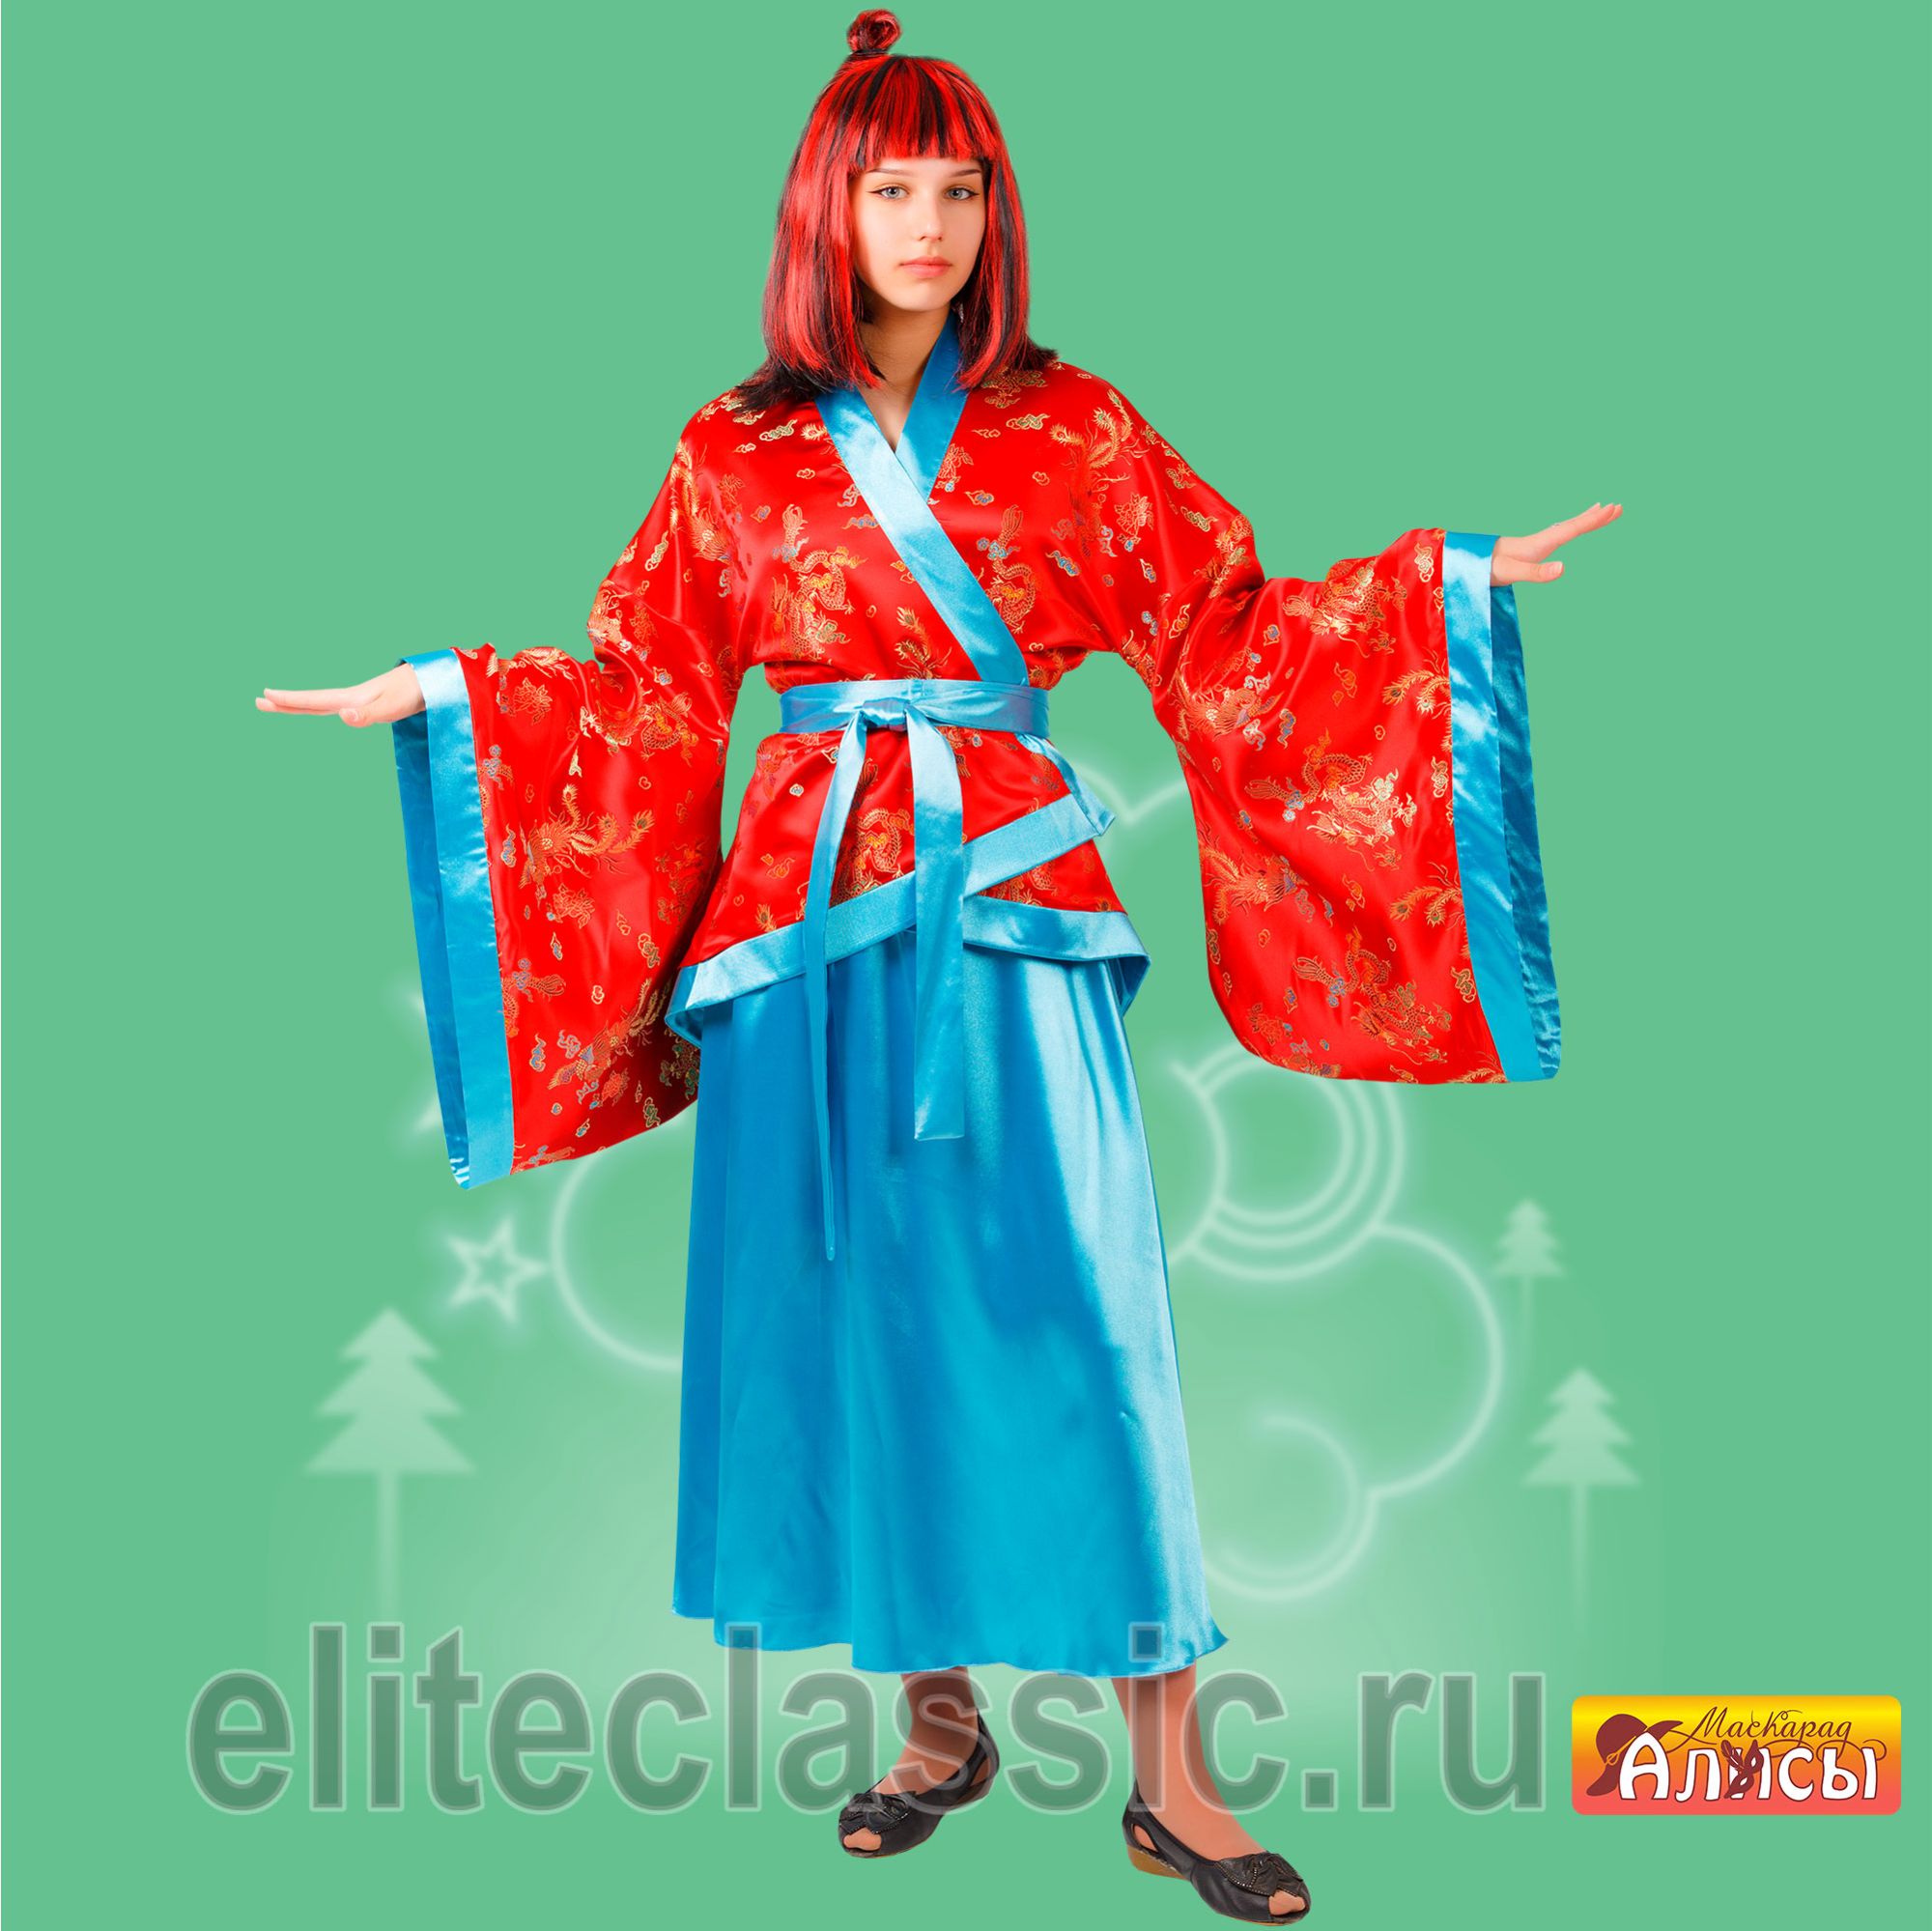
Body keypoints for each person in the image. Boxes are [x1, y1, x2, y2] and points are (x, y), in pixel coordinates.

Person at [258, 9, 1617, 1920]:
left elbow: (1227, 633)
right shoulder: (731, 451)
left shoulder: (1075, 428)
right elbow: (647, 694)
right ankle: (936, 1727)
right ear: (825, 208)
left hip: (1012, 907)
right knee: (854, 1318)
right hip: (801, 932)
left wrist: (1435, 594)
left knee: (1084, 1312)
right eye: (890, 188)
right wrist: (444, 696)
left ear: (995, 208)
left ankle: (1173, 1782)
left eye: (958, 189)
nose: (927, 224)